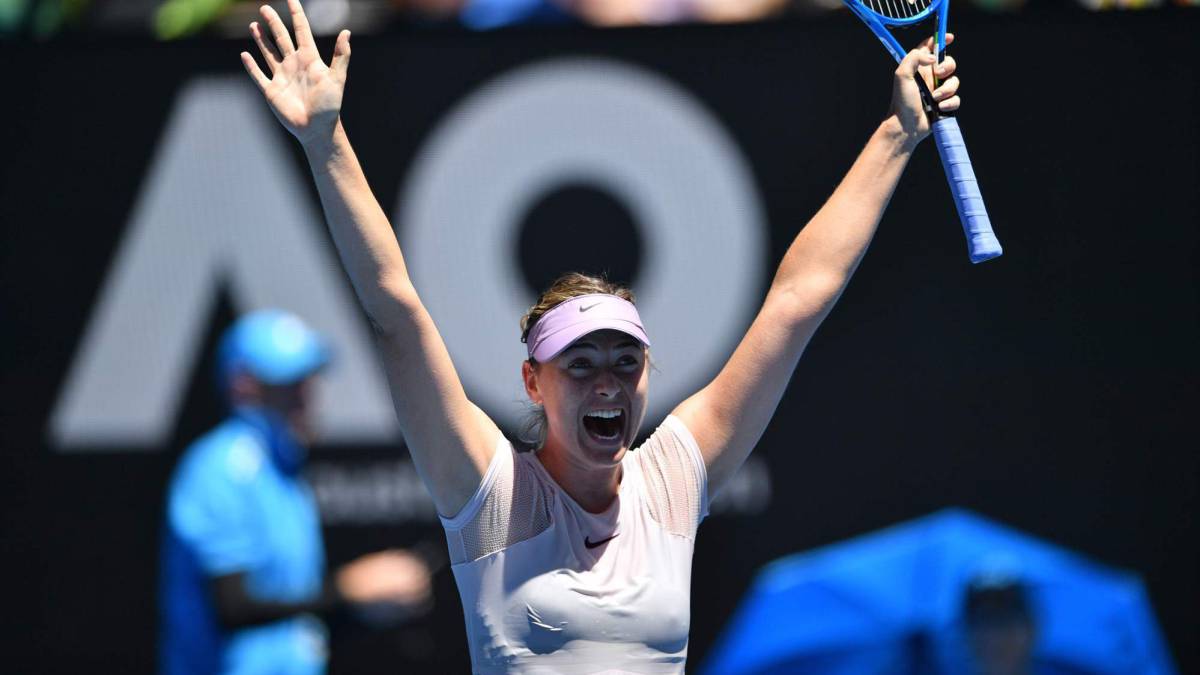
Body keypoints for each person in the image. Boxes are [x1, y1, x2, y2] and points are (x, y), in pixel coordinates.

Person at [238, 1, 964, 670]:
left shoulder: (673, 480)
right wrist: (324, 143)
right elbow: (396, 310)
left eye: (626, 359)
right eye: (579, 364)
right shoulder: (488, 490)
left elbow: (797, 301)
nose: (607, 381)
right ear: (533, 382)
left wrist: (898, 132)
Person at [159, 309, 433, 675]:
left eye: (307, 381)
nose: (306, 397)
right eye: (288, 383)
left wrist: (365, 604)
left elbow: (296, 621)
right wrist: (347, 588)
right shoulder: (219, 468)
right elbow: (232, 606)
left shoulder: (285, 475)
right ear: (244, 386)